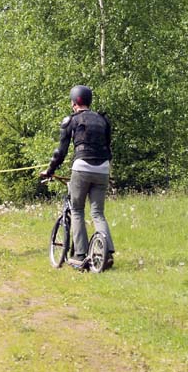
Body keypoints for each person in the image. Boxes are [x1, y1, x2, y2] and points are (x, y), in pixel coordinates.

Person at [41, 85, 115, 268]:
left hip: (81, 168)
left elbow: (61, 152)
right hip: (103, 168)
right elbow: (107, 146)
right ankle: (108, 253)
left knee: (77, 210)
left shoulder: (71, 120)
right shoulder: (102, 120)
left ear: (74, 102)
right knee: (97, 213)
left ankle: (80, 255)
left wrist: (49, 170)